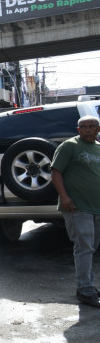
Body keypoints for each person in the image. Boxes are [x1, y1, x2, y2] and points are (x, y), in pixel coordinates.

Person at [51, 115, 100, 308]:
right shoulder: (69, 146)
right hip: (77, 206)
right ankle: (85, 290)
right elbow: (56, 172)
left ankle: (88, 284)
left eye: (91, 126)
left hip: (96, 207)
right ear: (78, 130)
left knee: (91, 248)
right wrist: (64, 197)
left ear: (98, 129)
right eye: (83, 127)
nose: (87, 129)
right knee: (84, 247)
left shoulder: (98, 148)